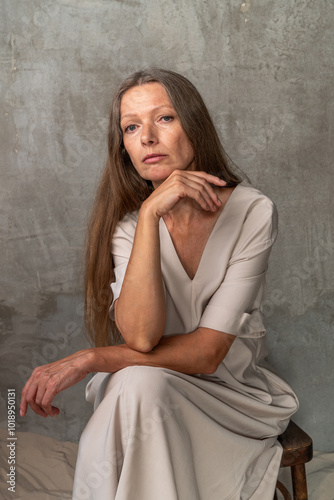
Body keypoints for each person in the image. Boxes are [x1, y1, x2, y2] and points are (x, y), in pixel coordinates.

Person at [20, 68, 299, 500]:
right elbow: (143, 337)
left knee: (135, 383)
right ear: (124, 147)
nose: (147, 137)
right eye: (131, 127)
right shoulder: (129, 229)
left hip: (230, 398)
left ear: (195, 125)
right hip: (146, 388)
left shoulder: (253, 212)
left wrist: (92, 358)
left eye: (164, 118)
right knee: (140, 383)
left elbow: (208, 353)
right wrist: (150, 215)